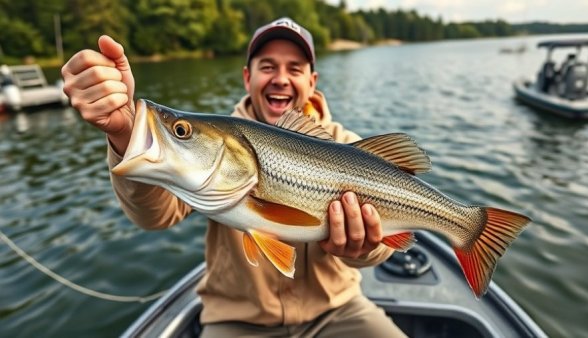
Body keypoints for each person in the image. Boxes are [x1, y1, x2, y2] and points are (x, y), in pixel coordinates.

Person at [62, 17, 406, 337]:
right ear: (247, 77)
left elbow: (386, 249)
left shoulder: (349, 148)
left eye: (295, 68)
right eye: (267, 66)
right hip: (237, 320)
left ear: (312, 81)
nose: (281, 78)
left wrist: (361, 250)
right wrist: (126, 135)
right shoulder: (212, 142)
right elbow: (156, 215)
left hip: (337, 310)